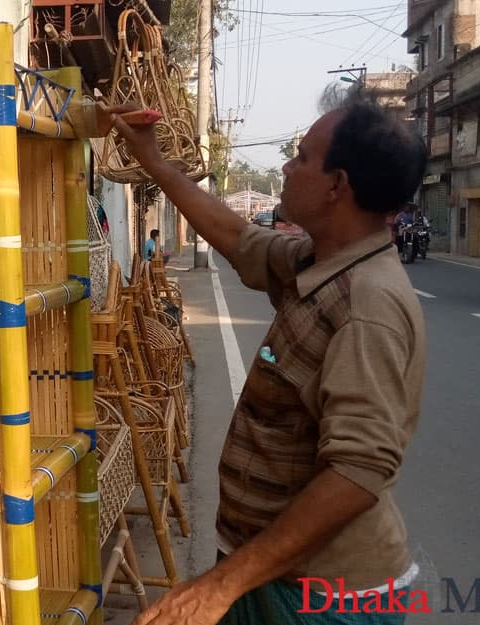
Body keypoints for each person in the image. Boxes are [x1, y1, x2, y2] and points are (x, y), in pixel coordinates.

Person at [109, 89, 428, 625]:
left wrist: (219, 587)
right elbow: (238, 238)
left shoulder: (367, 302)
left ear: (336, 186)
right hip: (270, 572)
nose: (286, 165)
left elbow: (358, 471)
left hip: (323, 600)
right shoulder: (319, 262)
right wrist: (155, 161)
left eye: (302, 157)